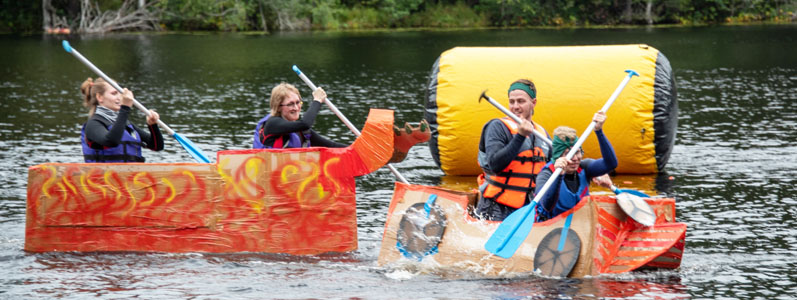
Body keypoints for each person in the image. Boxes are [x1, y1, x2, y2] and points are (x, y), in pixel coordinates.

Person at [475, 79, 552, 221]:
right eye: (512, 102)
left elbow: (554, 167)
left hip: (528, 209)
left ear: (533, 103)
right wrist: (520, 137)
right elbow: (495, 164)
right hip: (496, 207)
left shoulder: (542, 134)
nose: (515, 106)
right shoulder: (497, 127)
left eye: (521, 101)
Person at [534, 112, 618, 222]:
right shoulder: (546, 174)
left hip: (579, 227)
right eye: (568, 154)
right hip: (551, 229)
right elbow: (548, 205)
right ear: (558, 157)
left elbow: (611, 163)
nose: (575, 158)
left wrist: (599, 131)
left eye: (577, 152)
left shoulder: (584, 168)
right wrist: (559, 176)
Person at [80, 77, 164, 162]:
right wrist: (125, 108)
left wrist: (153, 125)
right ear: (100, 97)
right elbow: (111, 141)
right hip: (104, 174)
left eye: (120, 93)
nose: (120, 97)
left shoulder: (125, 124)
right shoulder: (93, 124)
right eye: (114, 93)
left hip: (132, 173)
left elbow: (157, 146)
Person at [253, 83, 346, 149]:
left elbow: (332, 146)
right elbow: (305, 123)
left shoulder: (302, 132)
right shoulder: (272, 123)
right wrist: (317, 100)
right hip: (269, 174)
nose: (296, 107)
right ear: (278, 107)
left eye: (298, 102)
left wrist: (355, 149)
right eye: (290, 104)